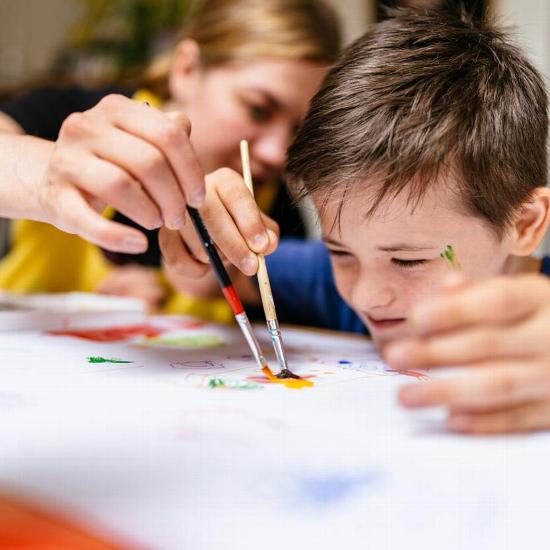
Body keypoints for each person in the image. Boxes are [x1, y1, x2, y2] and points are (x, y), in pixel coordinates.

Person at [161, 6, 550, 434]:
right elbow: (205, 277)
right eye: (339, 251)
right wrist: (206, 226)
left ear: (525, 223)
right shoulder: (326, 281)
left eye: (408, 261)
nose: (365, 296)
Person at [0, 0, 340, 315]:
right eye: (258, 109)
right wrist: (50, 170)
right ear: (186, 68)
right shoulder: (68, 115)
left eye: (298, 128)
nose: (277, 153)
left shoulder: (271, 201)